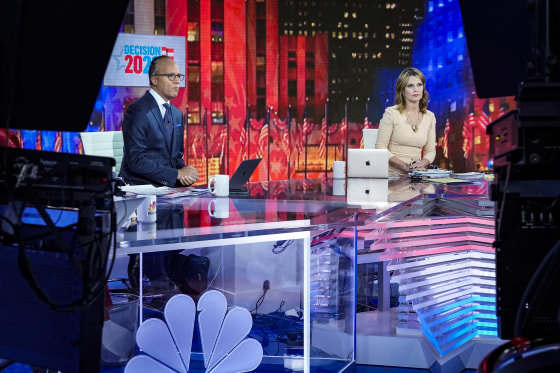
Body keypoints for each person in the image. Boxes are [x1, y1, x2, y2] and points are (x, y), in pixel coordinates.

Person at [119, 55, 198, 186]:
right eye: (171, 76)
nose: (177, 81)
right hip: (140, 189)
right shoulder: (138, 110)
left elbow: (176, 157)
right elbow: (136, 160)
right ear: (154, 80)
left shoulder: (177, 114)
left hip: (168, 189)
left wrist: (186, 176)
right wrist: (177, 174)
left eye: (179, 76)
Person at [375, 67, 436, 175]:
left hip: (416, 176)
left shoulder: (430, 117)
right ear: (402, 90)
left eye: (419, 85)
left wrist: (421, 164)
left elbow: (430, 151)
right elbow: (380, 147)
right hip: (392, 176)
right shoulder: (391, 113)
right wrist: (405, 167)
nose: (416, 89)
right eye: (410, 86)